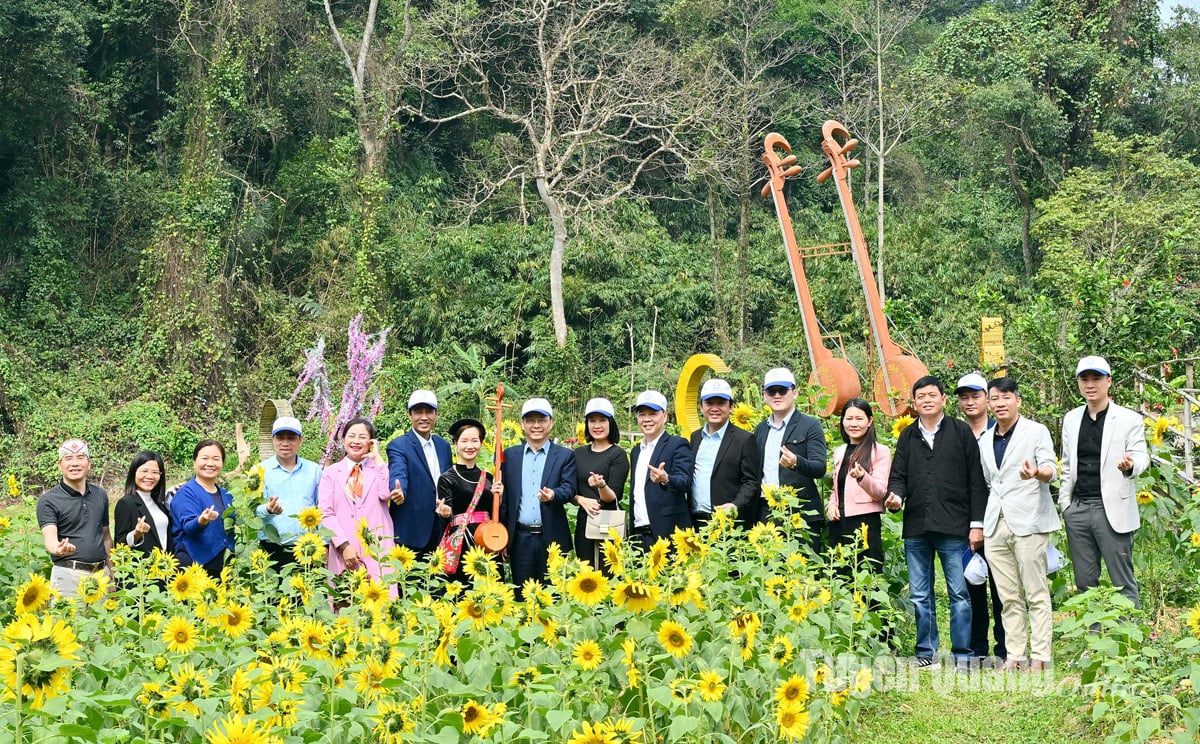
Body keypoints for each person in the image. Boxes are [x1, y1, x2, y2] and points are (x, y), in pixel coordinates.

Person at [887, 375, 987, 670]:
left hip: (954, 527)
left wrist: (976, 524)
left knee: (959, 593)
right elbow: (899, 476)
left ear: (944, 399)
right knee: (920, 593)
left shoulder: (960, 432)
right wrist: (895, 497)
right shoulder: (907, 436)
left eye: (932, 395)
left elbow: (976, 482)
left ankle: (962, 654)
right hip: (917, 526)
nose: (927, 400)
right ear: (914, 403)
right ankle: (926, 652)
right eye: (921, 396)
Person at [979, 377, 1060, 672]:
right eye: (994, 399)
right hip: (995, 523)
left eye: (1005, 397)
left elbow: (1051, 470)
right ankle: (1015, 655)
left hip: (1029, 521)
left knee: (1035, 591)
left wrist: (1037, 472)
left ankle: (1040, 655)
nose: (1000, 403)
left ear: (1018, 401)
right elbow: (990, 482)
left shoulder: (1036, 431)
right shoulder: (986, 439)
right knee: (1007, 595)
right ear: (989, 403)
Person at [1059, 355, 1149, 608]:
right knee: (1085, 584)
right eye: (1084, 379)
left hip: (1112, 509)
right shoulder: (1071, 418)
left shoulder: (1128, 419)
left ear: (1109, 381)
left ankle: (1128, 641)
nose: (1090, 384)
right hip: (1078, 508)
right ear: (1078, 383)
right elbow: (1067, 464)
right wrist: (1066, 505)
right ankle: (1094, 642)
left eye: (1096, 378)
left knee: (1123, 582)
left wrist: (1131, 466)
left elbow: (1142, 456)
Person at [496, 398, 576, 591]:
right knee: (522, 595)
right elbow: (505, 501)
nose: (536, 425)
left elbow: (569, 488)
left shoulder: (565, 455)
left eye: (542, 420)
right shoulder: (510, 456)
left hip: (551, 538)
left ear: (551, 423)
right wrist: (504, 537)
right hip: (520, 538)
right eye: (530, 420)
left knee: (553, 597)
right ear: (523, 424)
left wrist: (553, 495)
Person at [956, 372, 1007, 663]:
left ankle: (1004, 649)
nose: (970, 401)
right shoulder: (957, 433)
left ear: (988, 399)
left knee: (1002, 587)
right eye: (964, 397)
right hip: (966, 522)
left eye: (976, 396)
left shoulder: (998, 431)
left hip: (999, 521)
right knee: (971, 584)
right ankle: (977, 649)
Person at [753, 367, 827, 549]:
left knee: (803, 570)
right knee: (770, 570)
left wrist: (796, 463)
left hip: (800, 513)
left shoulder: (810, 425)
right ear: (764, 395)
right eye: (772, 391)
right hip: (767, 512)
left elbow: (820, 467)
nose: (777, 395)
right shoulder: (760, 430)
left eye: (783, 390)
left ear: (794, 393)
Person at [319, 418, 396, 584]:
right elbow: (326, 513)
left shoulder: (380, 468)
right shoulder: (330, 473)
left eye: (362, 437)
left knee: (381, 601)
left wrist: (377, 459)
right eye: (351, 436)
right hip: (346, 552)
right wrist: (343, 545)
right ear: (344, 439)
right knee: (346, 603)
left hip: (377, 549)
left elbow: (385, 494)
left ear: (371, 442)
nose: (356, 441)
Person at [825, 399, 897, 570]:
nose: (853, 424)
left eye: (859, 419)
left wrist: (863, 477)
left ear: (870, 421)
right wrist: (832, 504)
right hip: (839, 521)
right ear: (842, 421)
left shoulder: (880, 451)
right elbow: (837, 488)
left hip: (865, 522)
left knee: (867, 575)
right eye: (849, 419)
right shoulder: (840, 451)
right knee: (840, 575)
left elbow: (880, 491)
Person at [37, 439, 113, 600]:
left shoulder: (100, 495)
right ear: (60, 465)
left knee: (104, 625)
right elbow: (49, 537)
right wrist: (58, 548)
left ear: (89, 463)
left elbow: (105, 536)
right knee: (68, 624)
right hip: (68, 576)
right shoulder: (49, 500)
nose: (75, 463)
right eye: (68, 458)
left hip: (101, 576)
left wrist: (112, 574)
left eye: (80, 457)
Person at [386, 390, 452, 558]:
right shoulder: (399, 446)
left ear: (437, 414)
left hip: (441, 529)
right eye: (418, 412)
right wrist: (398, 490)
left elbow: (449, 482)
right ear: (409, 414)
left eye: (429, 411)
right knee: (409, 583)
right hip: (411, 533)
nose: (424, 417)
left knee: (440, 583)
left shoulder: (443, 446)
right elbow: (398, 471)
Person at [688, 379, 760, 529]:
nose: (715, 408)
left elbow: (751, 482)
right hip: (696, 521)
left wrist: (735, 505)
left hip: (728, 523)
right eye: (709, 403)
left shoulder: (745, 439)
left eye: (721, 403)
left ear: (731, 406)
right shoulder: (695, 437)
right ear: (701, 407)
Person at [627, 390, 692, 550]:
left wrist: (666, 479)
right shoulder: (636, 451)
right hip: (639, 534)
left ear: (665, 416)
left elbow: (685, 480)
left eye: (653, 414)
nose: (647, 419)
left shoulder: (677, 444)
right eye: (642, 414)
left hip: (668, 532)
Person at [434, 419, 497, 584]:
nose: (470, 446)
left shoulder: (489, 478)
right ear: (456, 443)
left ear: (481, 444)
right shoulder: (447, 478)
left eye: (475, 440)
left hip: (487, 539)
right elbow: (446, 511)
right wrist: (445, 512)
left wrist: (501, 497)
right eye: (464, 441)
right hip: (462, 541)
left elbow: (496, 511)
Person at [254, 416, 321, 569]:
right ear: (273, 440)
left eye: (291, 438)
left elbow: (322, 508)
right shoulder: (259, 471)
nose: (285, 443)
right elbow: (252, 510)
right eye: (280, 438)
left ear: (300, 440)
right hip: (271, 550)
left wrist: (324, 544)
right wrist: (268, 509)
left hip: (308, 548)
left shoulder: (314, 470)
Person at [571, 398, 630, 569]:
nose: (597, 425)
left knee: (609, 577)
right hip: (584, 523)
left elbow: (614, 497)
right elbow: (569, 489)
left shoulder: (618, 455)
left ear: (611, 423)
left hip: (609, 524)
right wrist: (580, 499)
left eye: (602, 420)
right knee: (586, 577)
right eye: (592, 420)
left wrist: (601, 486)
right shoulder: (578, 454)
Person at [171, 439, 236, 578]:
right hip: (194, 566)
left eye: (216, 459)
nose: (210, 463)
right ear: (194, 462)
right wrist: (202, 520)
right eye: (205, 458)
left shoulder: (226, 494)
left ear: (222, 463)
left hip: (223, 567)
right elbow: (188, 527)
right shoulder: (186, 493)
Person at [114, 450, 173, 557]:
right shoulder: (126, 503)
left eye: (155, 472)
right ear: (134, 472)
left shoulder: (159, 503)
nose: (150, 476)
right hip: (142, 570)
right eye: (144, 471)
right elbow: (119, 544)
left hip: (163, 568)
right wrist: (136, 534)